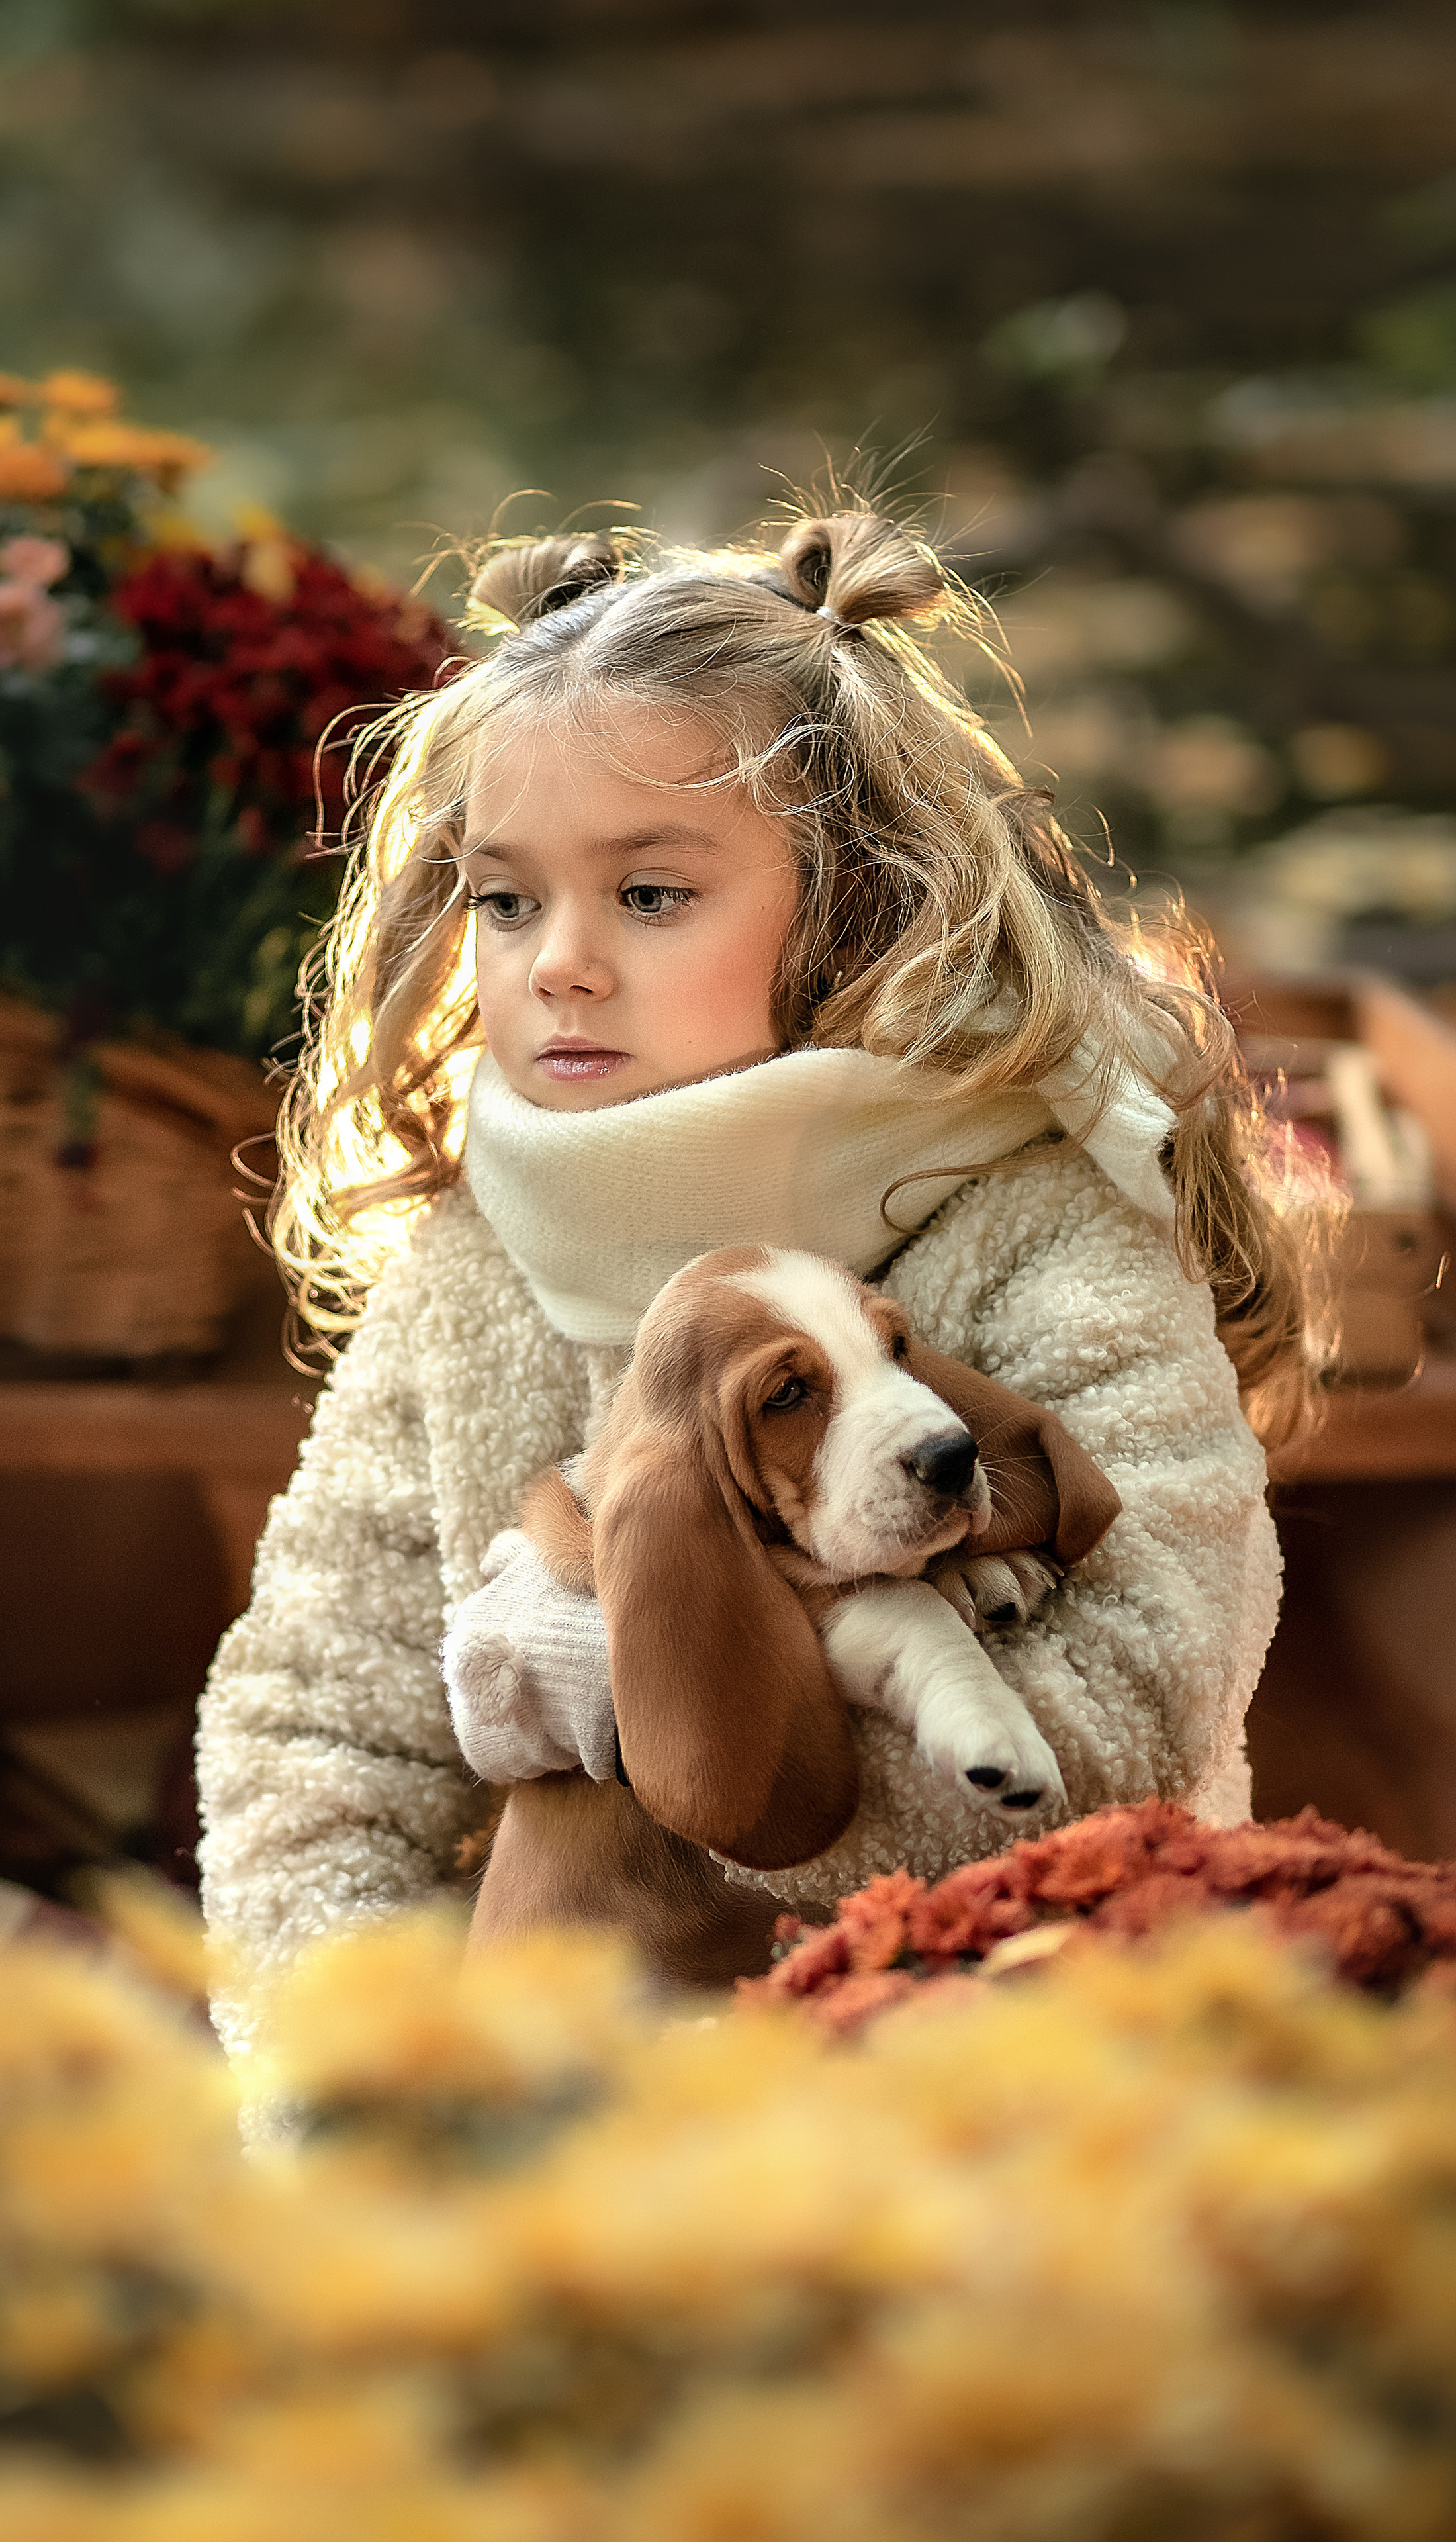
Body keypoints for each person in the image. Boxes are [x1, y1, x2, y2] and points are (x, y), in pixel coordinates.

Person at [197, 502, 1315, 2073]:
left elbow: (1134, 1696)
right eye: (507, 901)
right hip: (591, 2126)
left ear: (852, 899)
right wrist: (360, 2112)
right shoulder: (480, 1261)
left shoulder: (1036, 1214)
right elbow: (310, 1736)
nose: (558, 963)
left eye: (649, 897)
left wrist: (660, 1724)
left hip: (1032, 2109)